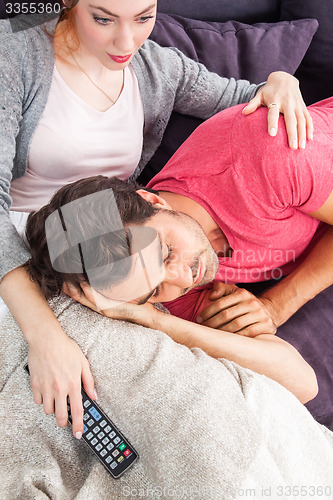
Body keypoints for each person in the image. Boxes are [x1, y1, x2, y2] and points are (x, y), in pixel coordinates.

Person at [0, 0, 313, 437]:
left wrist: (282, 80)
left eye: (144, 17)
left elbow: (247, 98)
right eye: (103, 18)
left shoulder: (157, 68)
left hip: (114, 244)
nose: (126, 41)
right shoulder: (13, 56)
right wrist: (44, 335)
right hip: (21, 252)